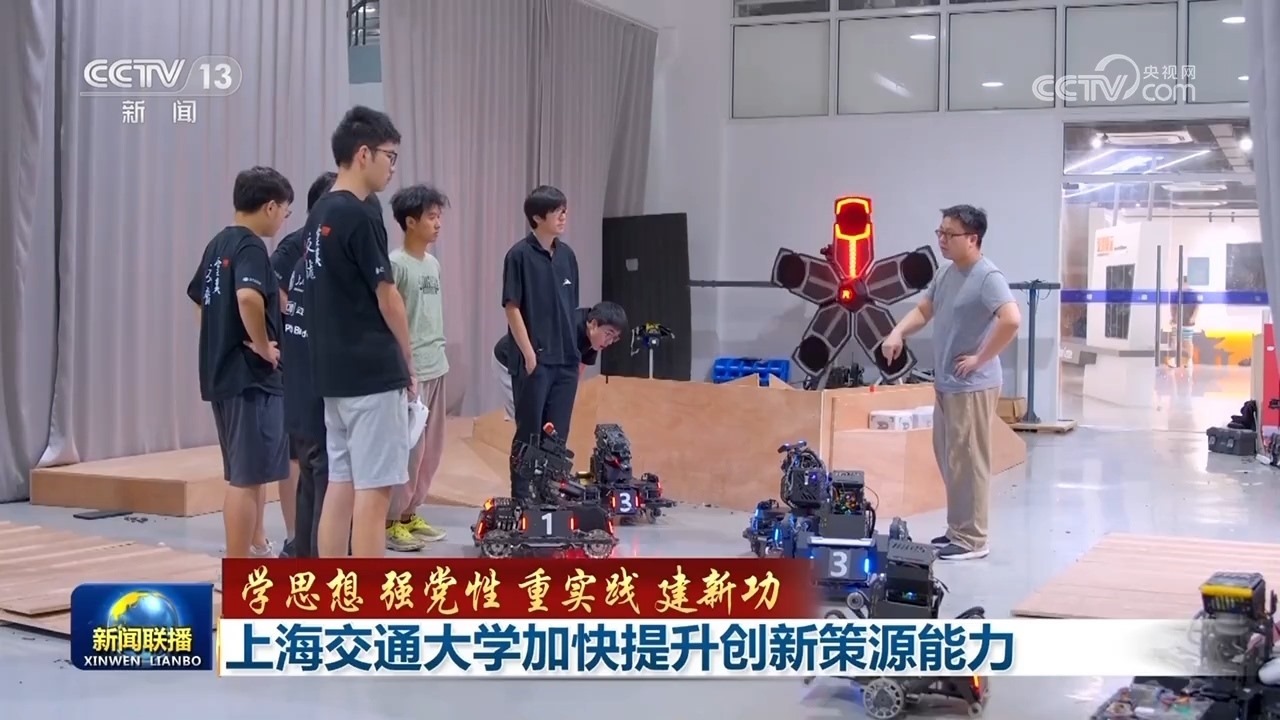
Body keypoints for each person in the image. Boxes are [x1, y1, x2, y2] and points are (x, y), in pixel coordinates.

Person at [881, 205, 1020, 562]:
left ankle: (973, 539)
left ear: (972, 239)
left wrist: (980, 358)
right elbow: (924, 310)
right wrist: (897, 332)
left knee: (969, 461)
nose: (942, 239)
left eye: (949, 234)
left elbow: (1011, 319)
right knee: (950, 459)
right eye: (939, 232)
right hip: (947, 383)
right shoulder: (946, 273)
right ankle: (958, 529)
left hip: (973, 385)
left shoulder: (987, 277)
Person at [305, 105, 412, 558]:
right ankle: (367, 595)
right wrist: (408, 361)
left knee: (341, 485)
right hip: (371, 374)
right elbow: (388, 296)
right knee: (375, 493)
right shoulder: (361, 214)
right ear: (364, 154)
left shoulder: (319, 211)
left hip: (334, 375)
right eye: (390, 156)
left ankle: (334, 589)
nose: (393, 167)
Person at [185, 166, 293, 567]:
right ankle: (238, 570)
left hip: (225, 375)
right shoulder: (250, 247)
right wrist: (263, 347)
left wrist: (220, 336)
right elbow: (248, 297)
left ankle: (257, 548)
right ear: (270, 207)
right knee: (246, 479)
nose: (283, 221)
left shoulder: (217, 244)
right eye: (285, 212)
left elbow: (200, 300)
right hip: (251, 379)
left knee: (251, 472)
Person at [259, 172, 336, 558]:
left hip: (327, 369)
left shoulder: (336, 246)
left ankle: (315, 543)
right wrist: (292, 310)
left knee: (320, 463)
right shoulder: (297, 245)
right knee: (301, 458)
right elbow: (269, 286)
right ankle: (296, 538)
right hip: (296, 364)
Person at [501, 185, 580, 501]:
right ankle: (522, 496)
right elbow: (511, 307)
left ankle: (550, 492)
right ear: (537, 217)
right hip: (535, 362)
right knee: (529, 432)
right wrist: (529, 355)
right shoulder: (518, 255)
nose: (563, 216)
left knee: (556, 435)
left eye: (564, 210)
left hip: (566, 361)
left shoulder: (568, 256)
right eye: (556, 211)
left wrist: (575, 357)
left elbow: (572, 306)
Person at [385, 184, 452, 551]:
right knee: (409, 450)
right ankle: (391, 520)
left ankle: (410, 513)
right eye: (431, 217)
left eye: (439, 216)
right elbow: (389, 318)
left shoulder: (433, 264)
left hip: (437, 364)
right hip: (411, 373)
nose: (438, 223)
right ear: (410, 222)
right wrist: (404, 366)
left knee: (432, 451)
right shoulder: (396, 265)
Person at [493, 301, 628, 420]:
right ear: (593, 324)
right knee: (528, 417)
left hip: (536, 365)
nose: (610, 342)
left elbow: (577, 371)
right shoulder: (568, 330)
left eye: (614, 338)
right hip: (509, 359)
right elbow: (549, 371)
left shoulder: (595, 339)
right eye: (608, 334)